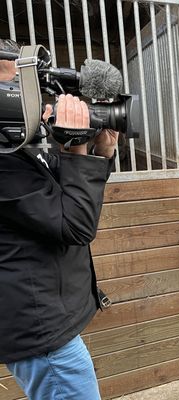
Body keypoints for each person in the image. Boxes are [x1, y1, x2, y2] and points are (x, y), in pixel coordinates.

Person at [0, 39, 118, 399]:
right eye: (11, 83)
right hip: (41, 331)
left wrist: (101, 149)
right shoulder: (4, 157)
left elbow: (67, 188)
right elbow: (75, 225)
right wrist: (78, 147)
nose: (20, 92)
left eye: (23, 81)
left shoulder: (17, 140)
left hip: (48, 320)